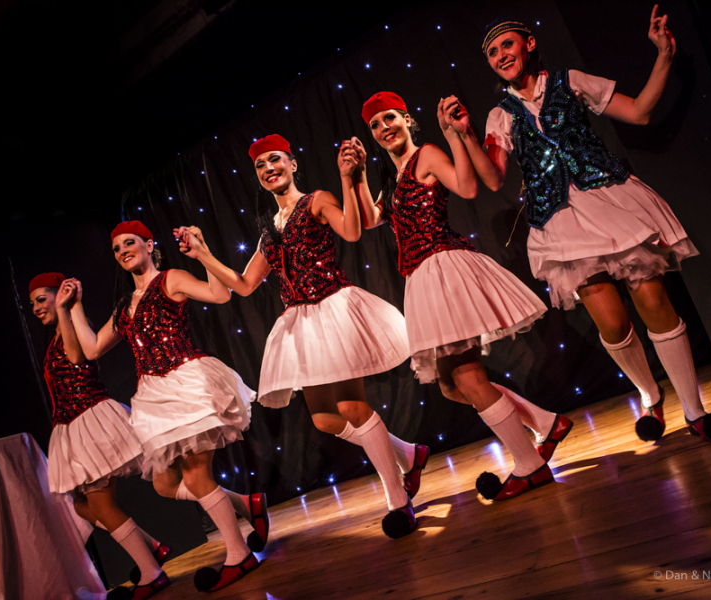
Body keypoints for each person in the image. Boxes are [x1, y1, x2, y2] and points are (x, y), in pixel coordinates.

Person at [446, 5, 711, 443]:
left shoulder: (570, 81)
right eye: (492, 52)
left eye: (507, 44)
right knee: (612, 323)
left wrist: (664, 54)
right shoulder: (499, 115)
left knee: (654, 300)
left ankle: (694, 410)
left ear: (529, 43)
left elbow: (638, 112)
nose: (501, 55)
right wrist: (465, 135)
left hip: (608, 199)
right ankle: (650, 395)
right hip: (560, 221)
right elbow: (492, 178)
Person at [175, 133, 427, 539]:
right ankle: (408, 455)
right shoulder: (269, 230)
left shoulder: (317, 201)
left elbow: (352, 232)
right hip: (302, 323)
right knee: (324, 419)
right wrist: (203, 254)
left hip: (334, 308)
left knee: (352, 406)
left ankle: (398, 500)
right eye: (260, 165)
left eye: (275, 160)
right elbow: (244, 285)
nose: (268, 168)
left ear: (292, 164)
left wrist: (348, 177)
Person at [339, 92, 572, 503]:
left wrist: (453, 136)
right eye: (375, 124)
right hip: (421, 278)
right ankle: (545, 422)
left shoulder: (425, 155)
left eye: (389, 118)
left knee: (466, 376)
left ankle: (530, 464)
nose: (383, 128)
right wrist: (355, 175)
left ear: (406, 119)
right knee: (449, 385)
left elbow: (466, 186)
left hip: (443, 268)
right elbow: (372, 220)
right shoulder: (393, 177)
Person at [66, 221, 267, 593]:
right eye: (117, 248)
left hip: (186, 381)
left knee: (196, 475)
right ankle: (245, 503)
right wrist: (75, 307)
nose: (123, 251)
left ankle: (239, 554)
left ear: (149, 244)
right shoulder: (124, 305)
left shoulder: (170, 279)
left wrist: (202, 253)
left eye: (130, 243)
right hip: (154, 394)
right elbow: (91, 350)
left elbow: (220, 294)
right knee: (164, 483)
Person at [29, 272, 170, 600]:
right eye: (32, 303)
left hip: (90, 420)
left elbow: (76, 357)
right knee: (82, 505)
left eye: (41, 300)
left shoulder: (74, 323)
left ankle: (152, 572)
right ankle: (151, 547)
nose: (35, 308)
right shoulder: (55, 335)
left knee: (103, 505)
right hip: (71, 425)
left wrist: (64, 308)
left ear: (60, 295)